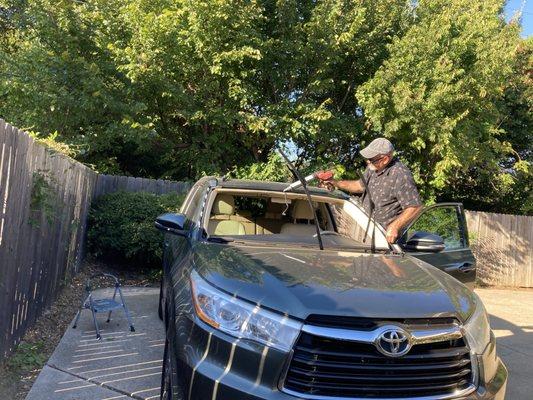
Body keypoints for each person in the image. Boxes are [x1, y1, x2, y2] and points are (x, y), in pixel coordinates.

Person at [319, 138, 423, 244]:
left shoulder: (400, 174)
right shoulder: (373, 168)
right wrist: (335, 182)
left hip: (385, 241)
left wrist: (395, 226)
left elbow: (415, 207)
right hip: (365, 233)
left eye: (372, 159)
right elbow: (359, 186)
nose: (368, 162)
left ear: (385, 159)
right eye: (367, 159)